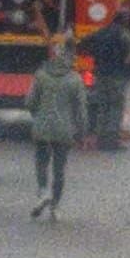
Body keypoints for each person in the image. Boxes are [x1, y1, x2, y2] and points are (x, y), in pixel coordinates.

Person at [26, 37, 87, 221]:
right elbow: (81, 109)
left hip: (42, 127)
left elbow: (30, 102)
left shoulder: (41, 76)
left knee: (41, 162)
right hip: (64, 130)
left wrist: (38, 115)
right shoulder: (75, 80)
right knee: (59, 169)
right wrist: (82, 131)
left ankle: (43, 191)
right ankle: (55, 206)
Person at [78, 13, 130, 151]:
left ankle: (100, 138)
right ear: (124, 22)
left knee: (102, 105)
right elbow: (128, 55)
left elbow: (81, 45)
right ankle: (111, 141)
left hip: (100, 74)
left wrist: (94, 54)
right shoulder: (124, 35)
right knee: (115, 107)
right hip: (117, 75)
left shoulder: (100, 32)